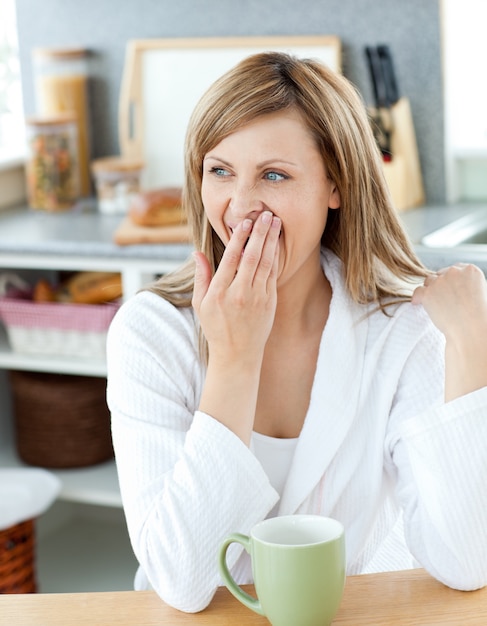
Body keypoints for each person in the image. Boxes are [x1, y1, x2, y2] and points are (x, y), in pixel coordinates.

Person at [106, 51, 487, 612]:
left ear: (336, 185)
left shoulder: (401, 329)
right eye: (220, 171)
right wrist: (235, 360)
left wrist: (473, 346)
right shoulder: (151, 332)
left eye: (274, 175)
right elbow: (184, 584)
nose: (240, 208)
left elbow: (467, 560)